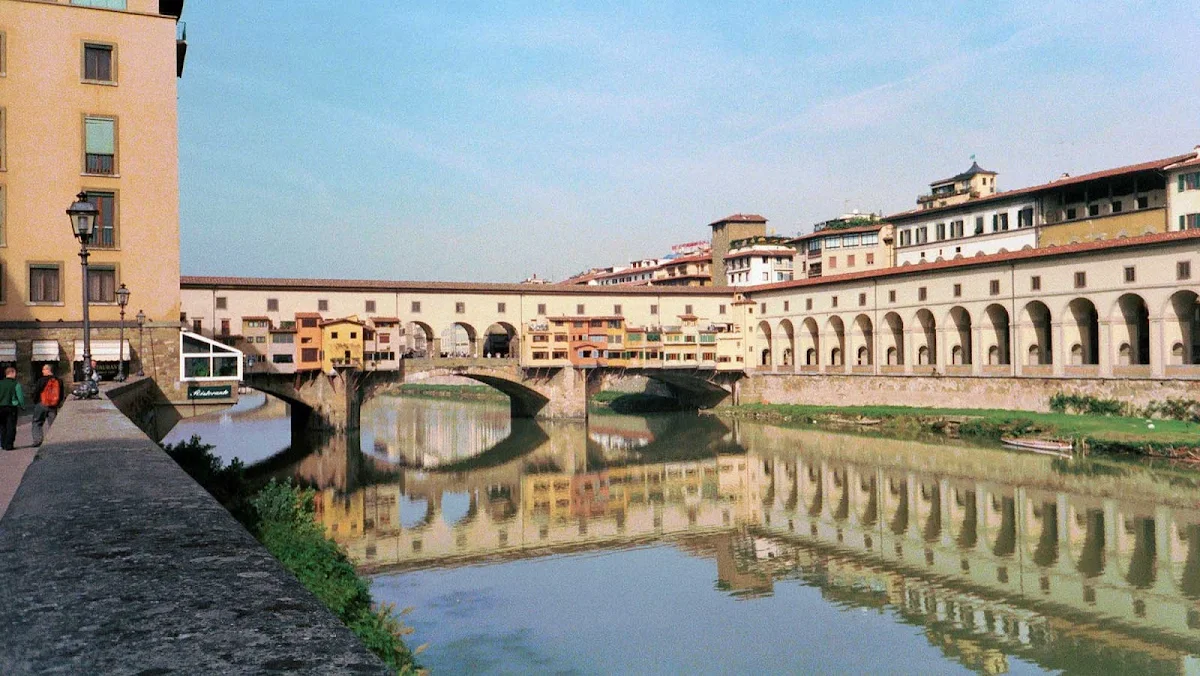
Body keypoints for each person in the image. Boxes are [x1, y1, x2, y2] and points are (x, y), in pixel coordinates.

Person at [31, 364, 64, 447]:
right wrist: (57, 403)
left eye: (44, 369)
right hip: (53, 405)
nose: (42, 371)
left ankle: (38, 440)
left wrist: (35, 401)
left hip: (41, 404)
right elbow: (61, 394)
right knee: (53, 424)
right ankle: (54, 440)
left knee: (37, 422)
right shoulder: (59, 380)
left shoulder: (41, 380)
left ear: (48, 370)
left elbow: (36, 392)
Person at [0, 366, 25, 450]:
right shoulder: (16, 384)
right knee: (11, 426)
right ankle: (9, 445)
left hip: (0, 407)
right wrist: (22, 406)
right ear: (12, 373)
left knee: (2, 426)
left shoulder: (0, 383)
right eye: (15, 373)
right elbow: (20, 397)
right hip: (11, 407)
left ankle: (3, 443)